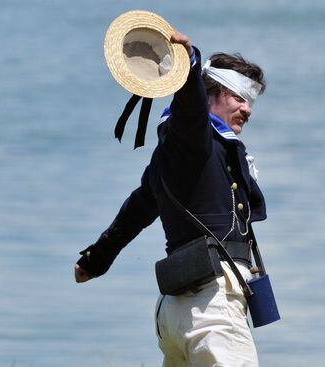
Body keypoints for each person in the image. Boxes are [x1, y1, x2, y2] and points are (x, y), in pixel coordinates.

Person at [75, 30, 268, 367]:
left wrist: (96, 259)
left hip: (175, 313)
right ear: (211, 95)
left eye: (250, 99)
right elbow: (191, 108)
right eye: (239, 96)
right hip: (212, 312)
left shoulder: (174, 155)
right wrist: (190, 61)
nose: (247, 109)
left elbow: (137, 210)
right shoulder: (191, 139)